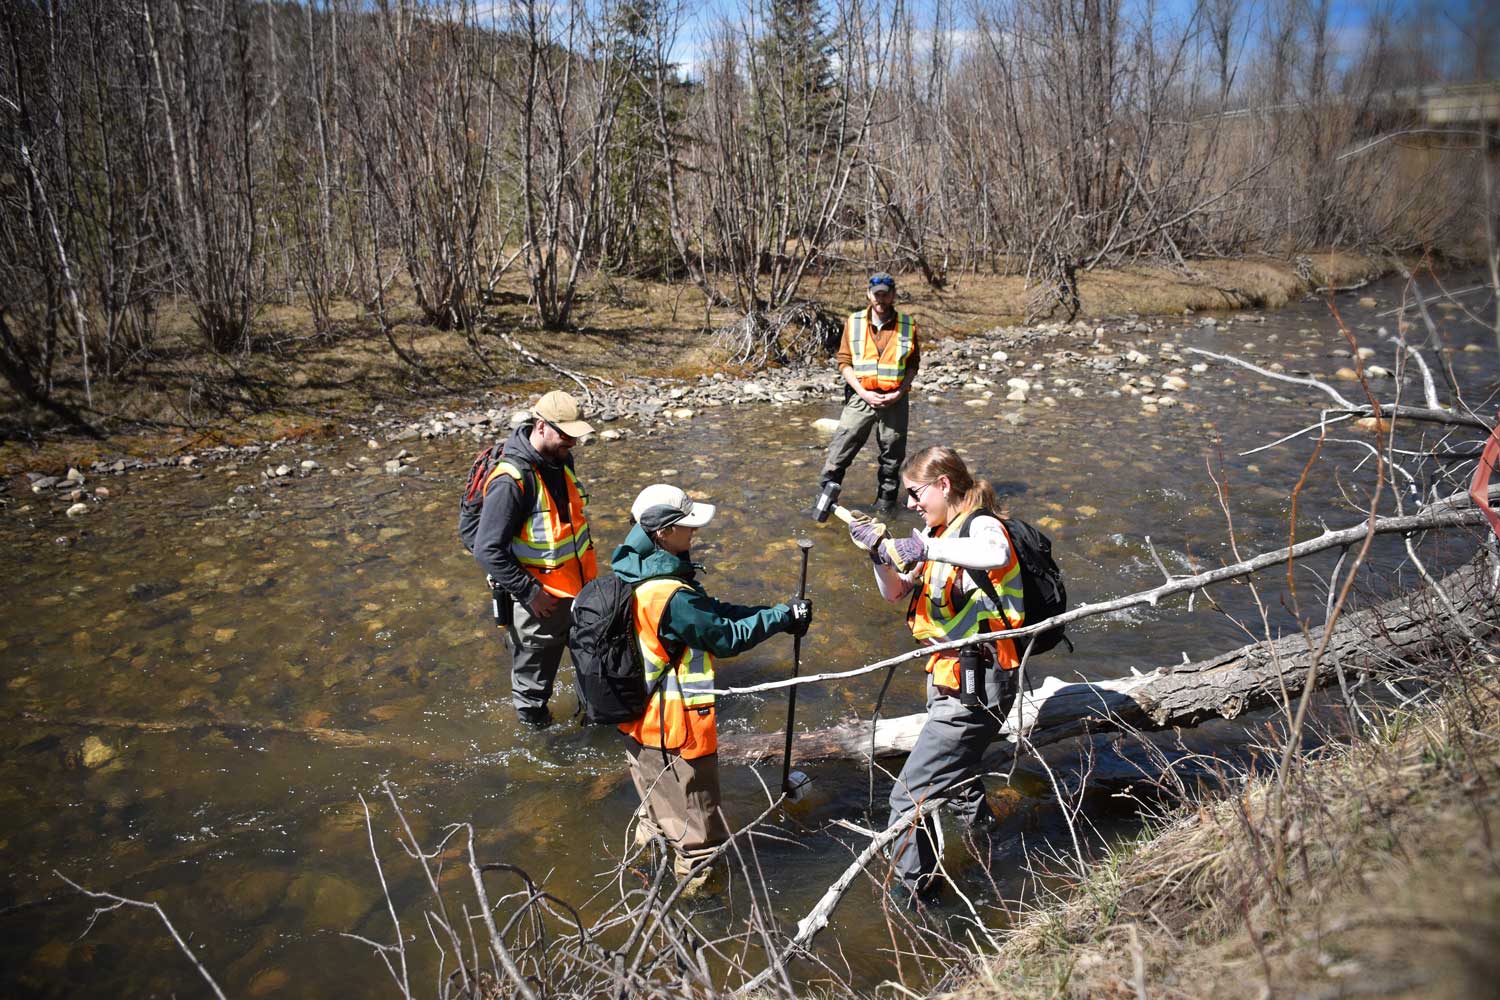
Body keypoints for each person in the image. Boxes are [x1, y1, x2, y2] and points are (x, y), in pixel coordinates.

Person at [847, 445, 1023, 902]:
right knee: (959, 779)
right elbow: (895, 593)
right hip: (947, 676)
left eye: (915, 493)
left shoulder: (980, 525)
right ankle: (993, 849)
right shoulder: (936, 530)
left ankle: (917, 903)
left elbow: (995, 549)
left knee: (907, 800)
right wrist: (879, 554)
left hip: (979, 681)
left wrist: (923, 544)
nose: (910, 504)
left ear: (944, 485)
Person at [611, 483, 812, 880]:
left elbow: (714, 613)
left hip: (637, 724)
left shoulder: (633, 574)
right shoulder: (670, 594)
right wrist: (782, 620)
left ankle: (641, 876)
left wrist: (777, 613)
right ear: (663, 532)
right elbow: (724, 636)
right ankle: (699, 909)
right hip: (676, 733)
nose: (695, 533)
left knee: (655, 813)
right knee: (700, 835)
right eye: (687, 526)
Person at [472, 390, 598, 728]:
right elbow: (487, 549)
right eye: (565, 434)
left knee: (593, 670)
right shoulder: (510, 481)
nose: (571, 441)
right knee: (532, 694)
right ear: (541, 426)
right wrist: (530, 593)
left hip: (579, 594)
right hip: (539, 603)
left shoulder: (561, 460)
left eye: (575, 434)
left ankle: (589, 727)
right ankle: (539, 747)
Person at [818, 271, 921, 514]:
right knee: (840, 450)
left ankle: (886, 508)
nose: (881, 300)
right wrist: (863, 392)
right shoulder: (853, 322)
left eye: (885, 295)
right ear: (869, 294)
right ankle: (824, 503)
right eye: (877, 295)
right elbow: (844, 362)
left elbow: (913, 365)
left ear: (893, 295)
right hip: (861, 396)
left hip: (894, 400)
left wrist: (901, 391)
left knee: (892, 458)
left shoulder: (908, 325)